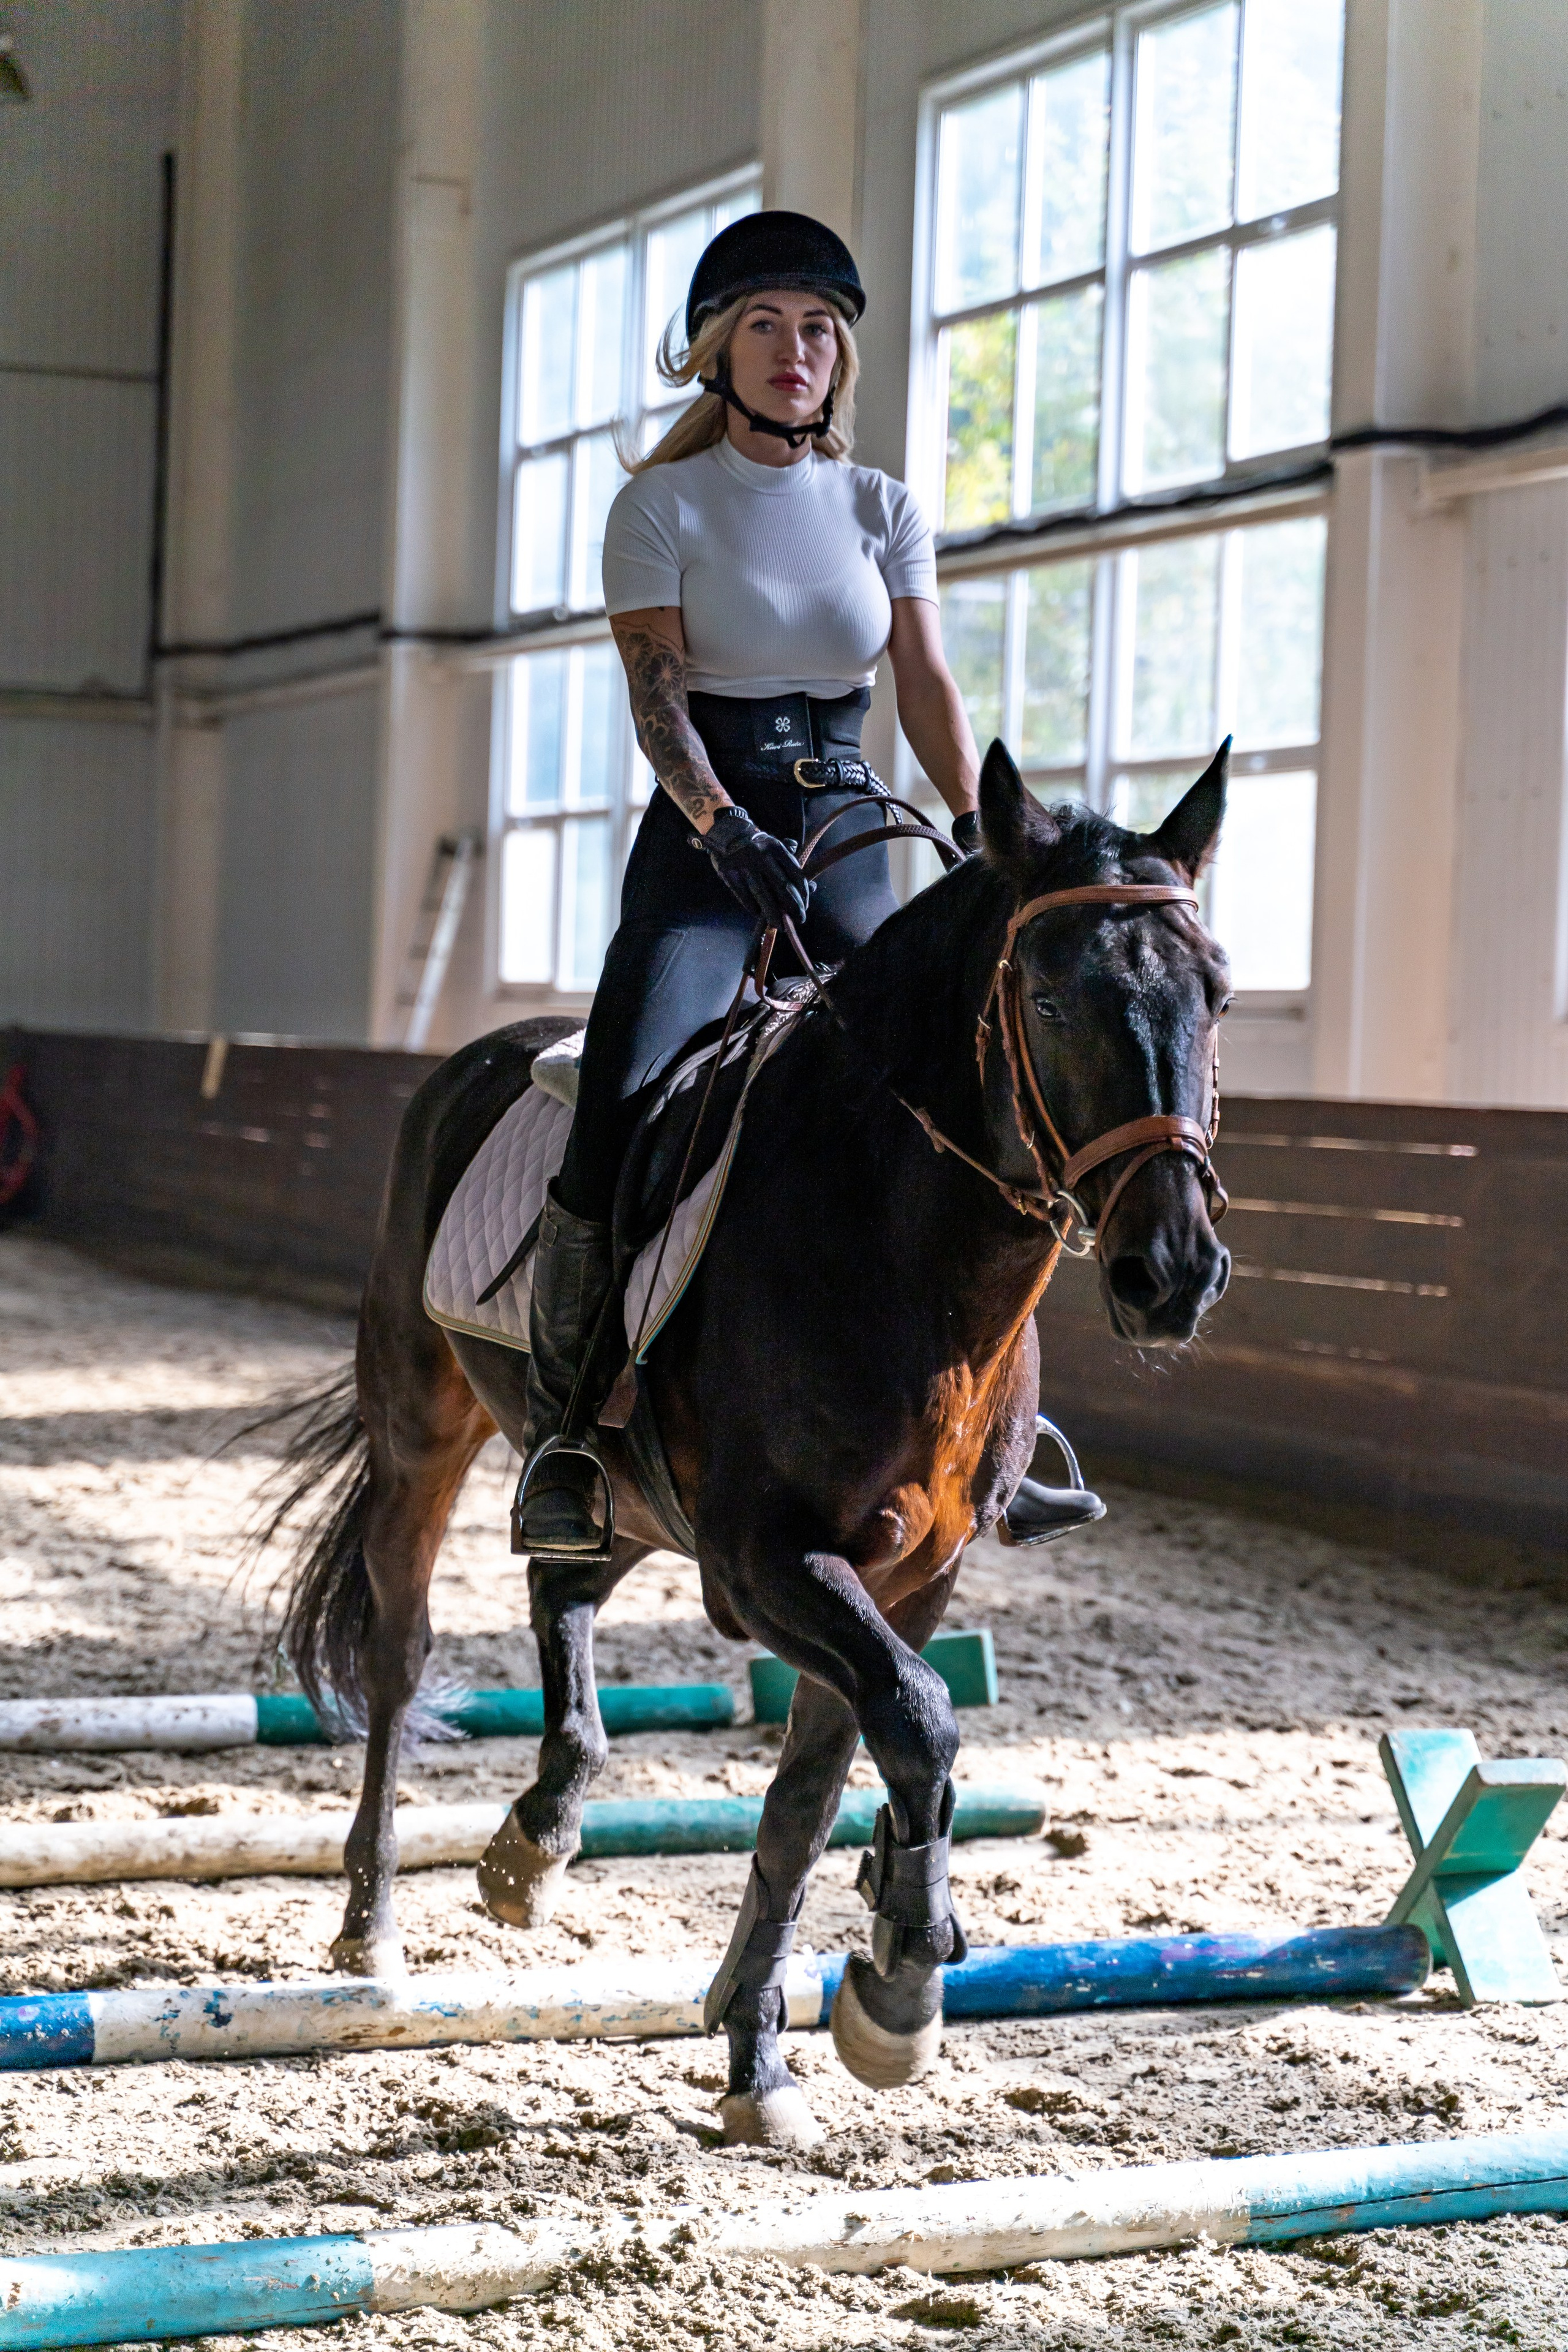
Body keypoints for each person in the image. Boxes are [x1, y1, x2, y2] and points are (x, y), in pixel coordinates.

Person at [516, 211, 1090, 1555]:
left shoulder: (879, 507)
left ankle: (1009, 1422)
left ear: (841, 358)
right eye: (766, 326)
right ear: (719, 351)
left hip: (847, 840)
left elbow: (927, 686)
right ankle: (562, 1430)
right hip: (708, 857)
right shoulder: (661, 505)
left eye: (819, 330)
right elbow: (661, 706)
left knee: (967, 1094)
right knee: (623, 1098)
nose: (796, 351)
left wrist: (978, 828)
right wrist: (719, 827)